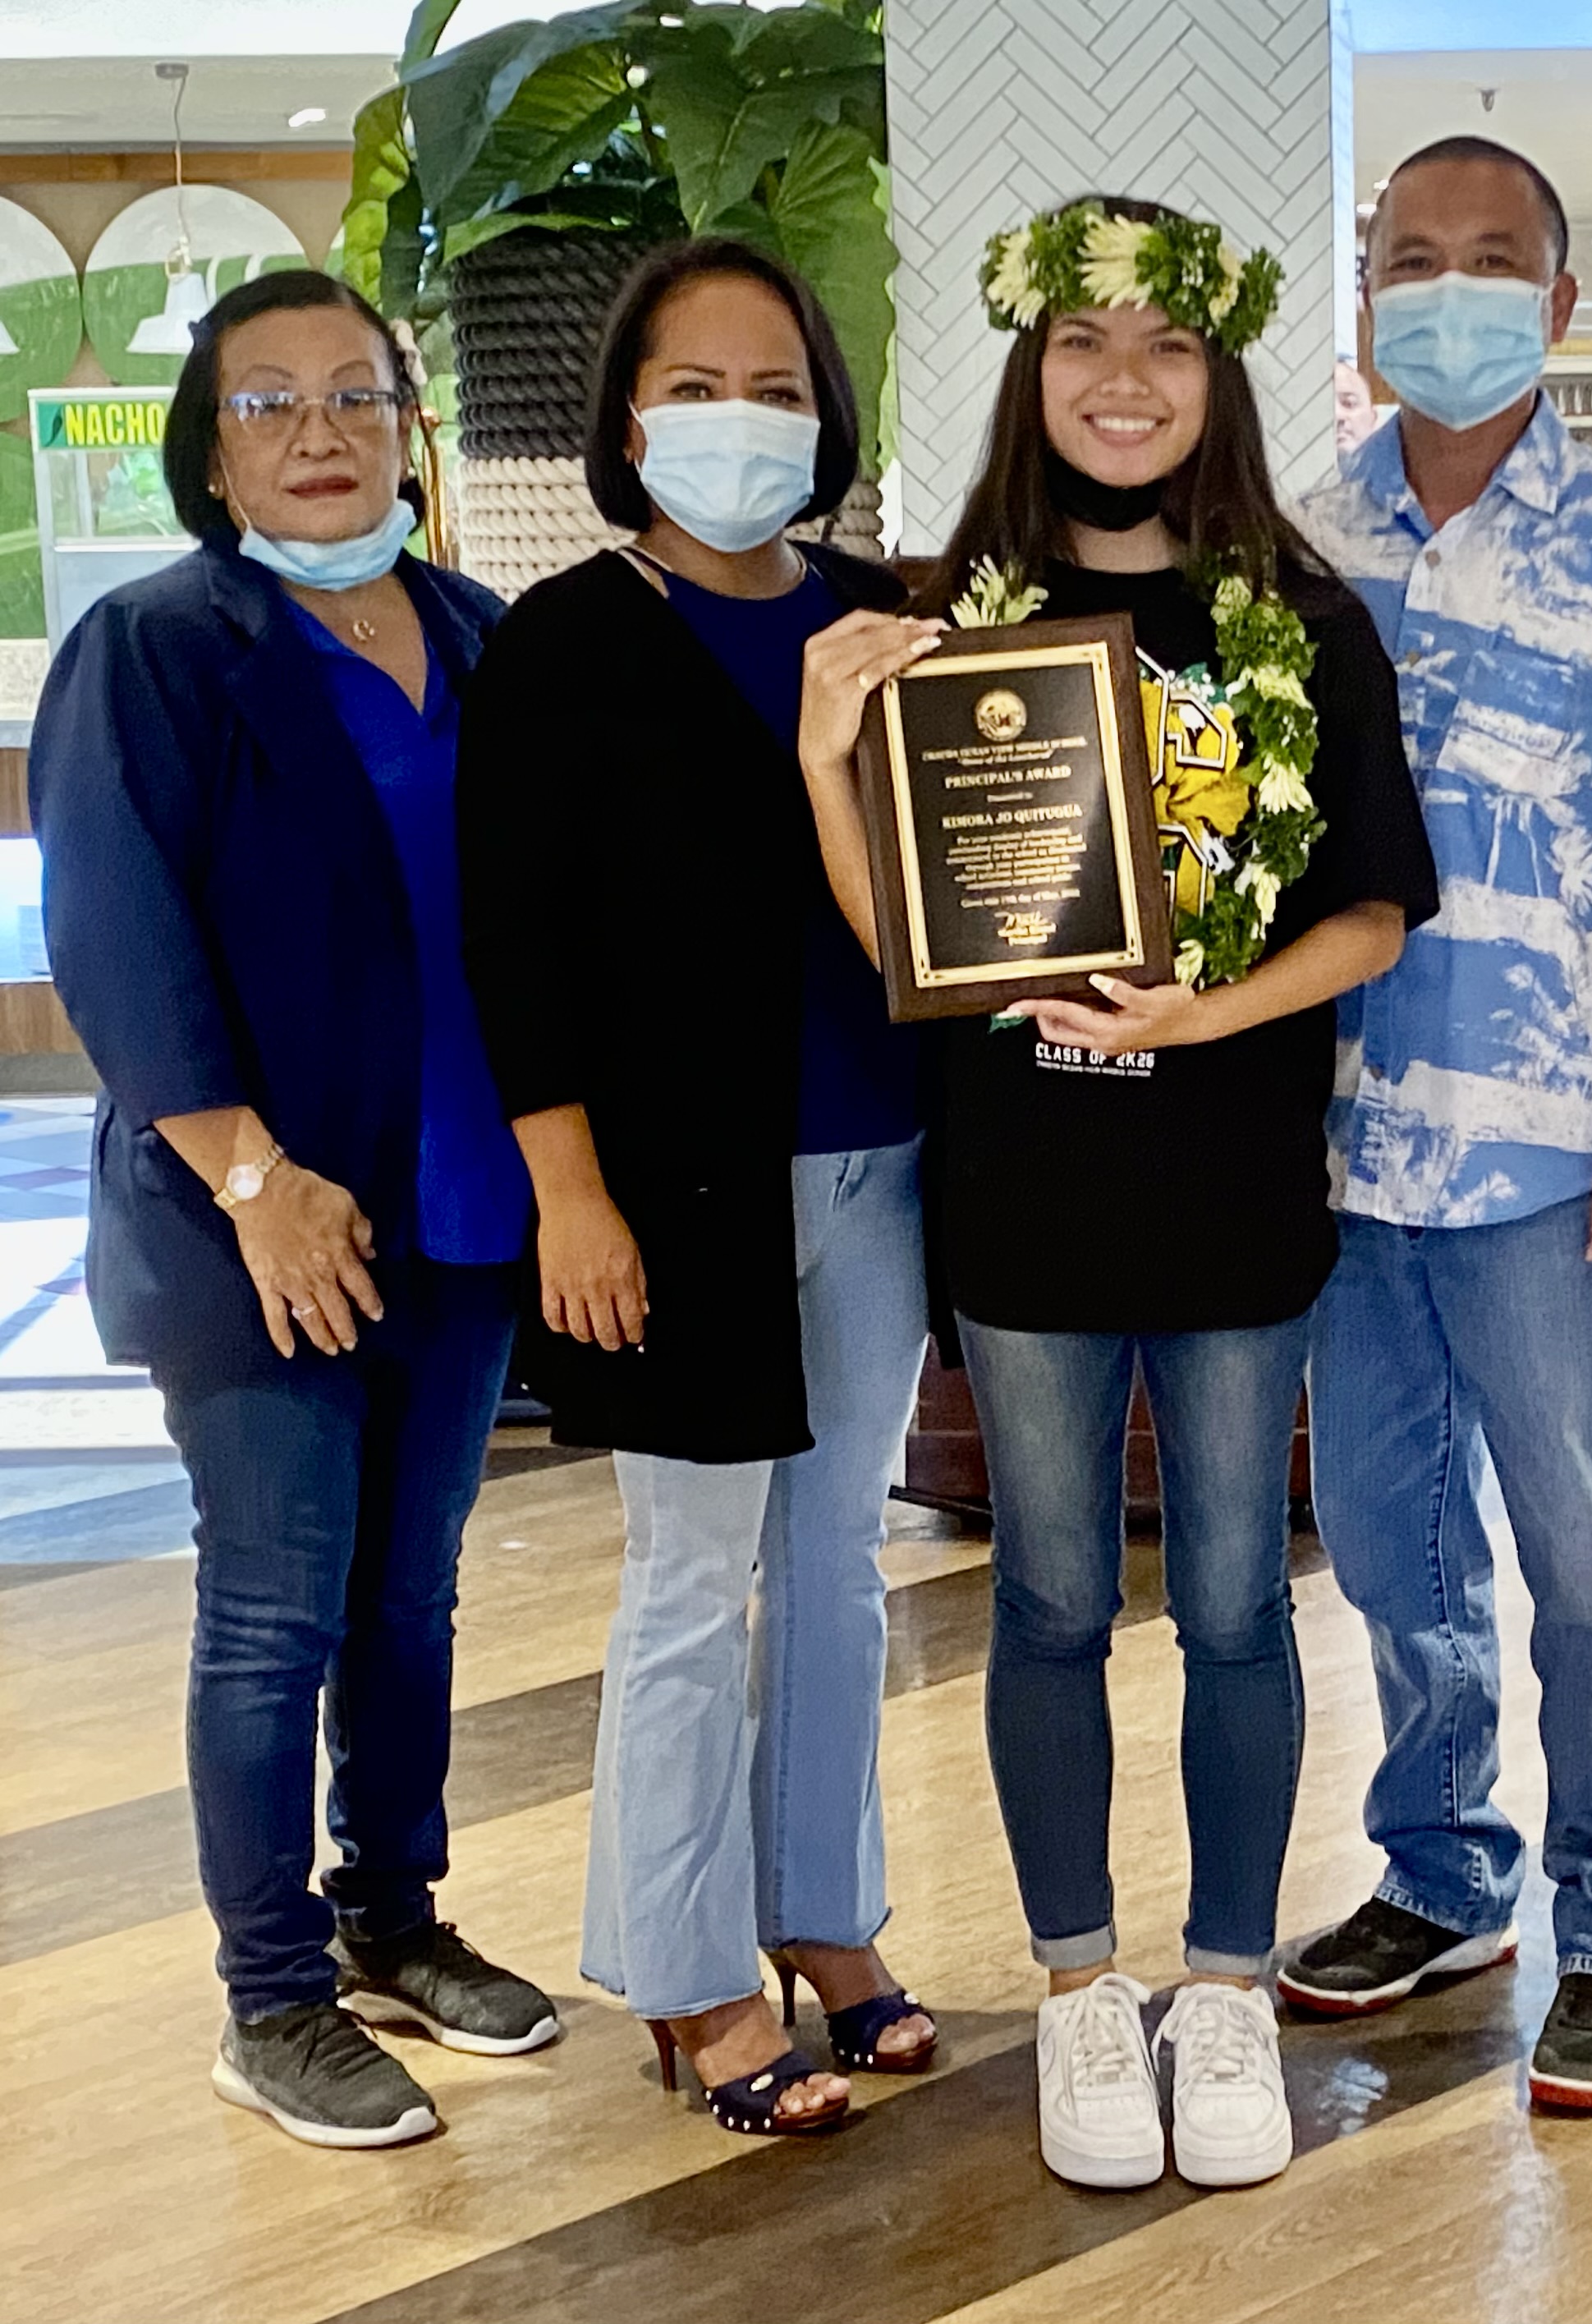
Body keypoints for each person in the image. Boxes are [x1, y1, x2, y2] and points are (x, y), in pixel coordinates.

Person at [795, 195, 1438, 2191]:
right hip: (1030, 1197)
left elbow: (1377, 912)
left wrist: (1201, 1012)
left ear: (1220, 375)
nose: (1127, 379)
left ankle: (1228, 1986)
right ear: (1031, 371)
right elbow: (905, 932)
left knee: (1241, 1600)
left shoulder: (1301, 614)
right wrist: (831, 757)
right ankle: (1083, 1990)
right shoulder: (946, 614)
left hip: (1232, 1184)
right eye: (1087, 345)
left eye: (1168, 344)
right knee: (1056, 1599)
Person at [30, 272, 557, 2150]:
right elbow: (114, 935)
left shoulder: (488, 641)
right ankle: (272, 1995)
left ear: (413, 426)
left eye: (355, 394)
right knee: (273, 1609)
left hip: (458, 1215)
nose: (319, 431)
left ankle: (396, 1917)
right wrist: (253, 1179)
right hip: (249, 1224)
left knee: (405, 1597)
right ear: (212, 446)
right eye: (269, 402)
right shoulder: (154, 651)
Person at [1287, 135, 1592, 2115]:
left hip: (1555, 1159)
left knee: (1590, 1557)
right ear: (1364, 291)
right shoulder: (1306, 535)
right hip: (1333, 1158)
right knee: (1396, 1557)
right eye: (1410, 258)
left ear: (1557, 305)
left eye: (1491, 261)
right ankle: (1441, 1868)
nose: (1446, 290)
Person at [456, 241, 935, 2138]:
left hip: (878, 1165)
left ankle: (823, 1916)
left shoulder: (888, 620)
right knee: (686, 1582)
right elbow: (517, 948)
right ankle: (686, 1972)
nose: (737, 421)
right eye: (695, 386)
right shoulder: (562, 642)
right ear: (628, 414)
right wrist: (569, 1194)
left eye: (774, 387)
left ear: (822, 412)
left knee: (837, 1568)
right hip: (675, 1192)